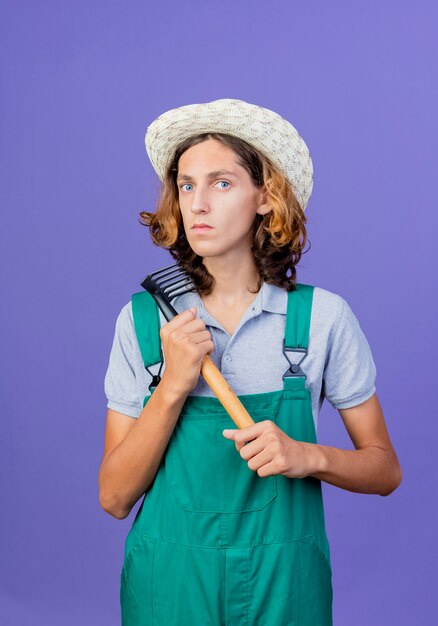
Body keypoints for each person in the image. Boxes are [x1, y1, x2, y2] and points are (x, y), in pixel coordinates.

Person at [98, 98, 402, 625]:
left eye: (221, 183)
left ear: (265, 197)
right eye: (186, 185)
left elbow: (385, 470)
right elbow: (115, 496)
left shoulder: (322, 319)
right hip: (170, 585)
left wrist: (308, 457)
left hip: (286, 584)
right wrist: (172, 385)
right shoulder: (147, 322)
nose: (197, 205)